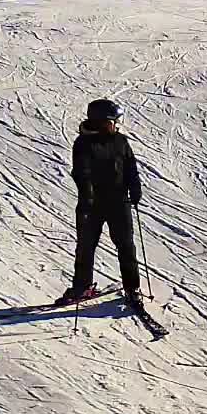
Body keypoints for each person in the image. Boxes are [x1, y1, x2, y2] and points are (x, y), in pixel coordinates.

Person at [59, 98, 144, 311]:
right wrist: (87, 196)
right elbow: (81, 172)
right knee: (85, 247)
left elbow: (130, 167)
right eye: (112, 121)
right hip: (92, 205)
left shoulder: (121, 141)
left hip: (118, 202)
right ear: (100, 121)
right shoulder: (83, 144)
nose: (116, 124)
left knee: (126, 245)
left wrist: (135, 187)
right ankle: (82, 287)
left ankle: (132, 288)